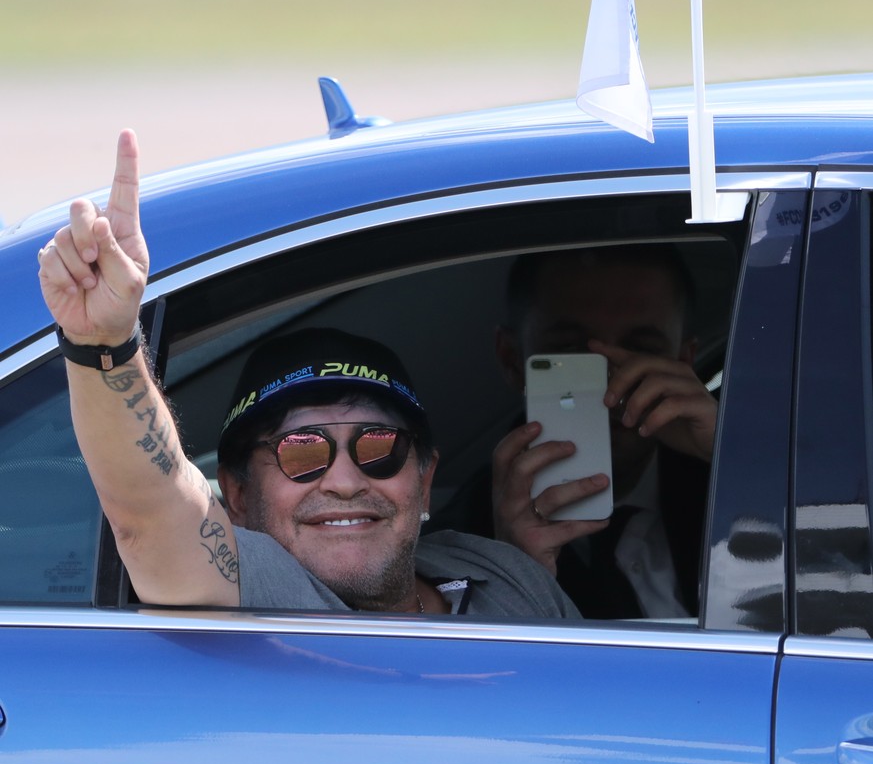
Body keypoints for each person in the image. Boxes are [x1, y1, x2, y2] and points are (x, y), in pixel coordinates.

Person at [36, 129, 578, 619]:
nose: (345, 481)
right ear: (239, 497)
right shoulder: (262, 596)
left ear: (426, 479)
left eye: (380, 447)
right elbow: (151, 511)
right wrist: (103, 344)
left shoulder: (504, 575)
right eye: (302, 451)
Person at [431, 245, 717, 619]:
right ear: (513, 361)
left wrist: (737, 456)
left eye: (640, 350)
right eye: (572, 352)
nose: (609, 380)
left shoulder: (738, 479)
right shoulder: (461, 546)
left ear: (683, 363)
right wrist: (514, 575)